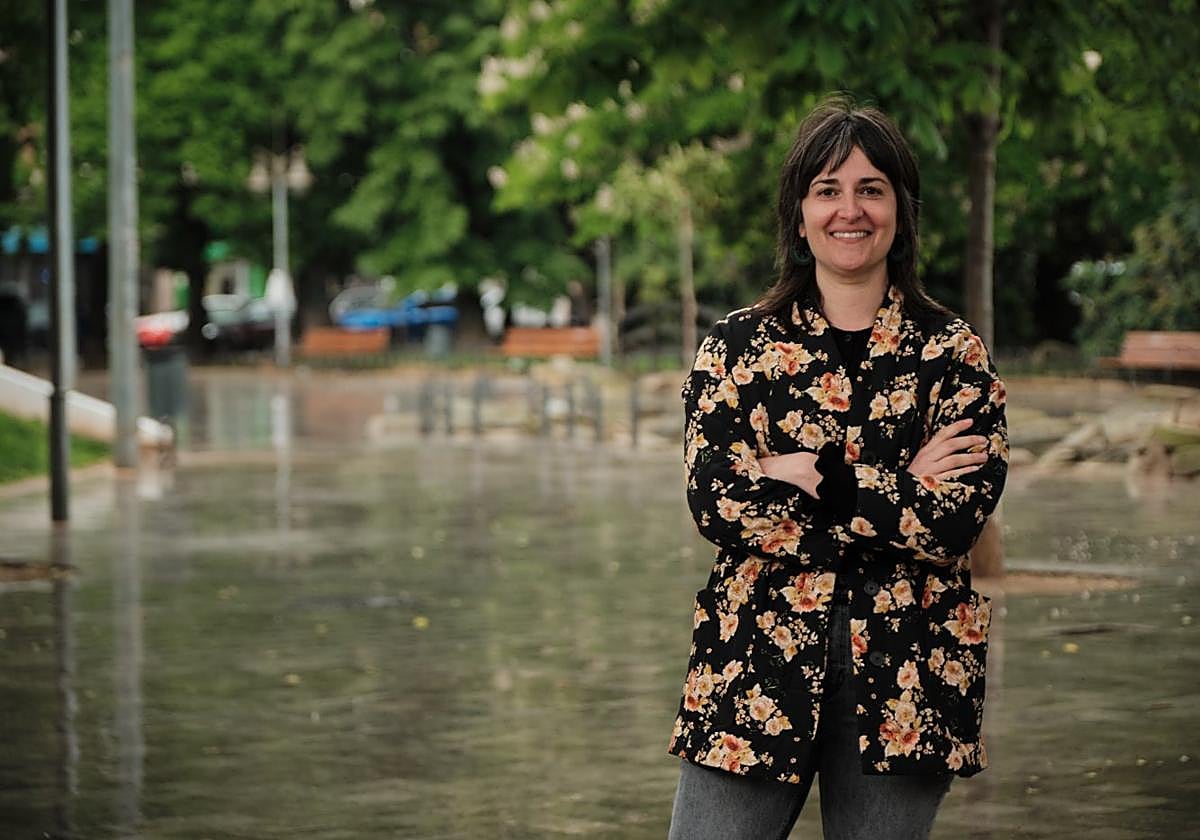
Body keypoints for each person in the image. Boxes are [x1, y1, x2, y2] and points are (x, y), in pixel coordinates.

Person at [666, 96, 1009, 839]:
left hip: (909, 676)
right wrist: (898, 489)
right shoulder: (735, 349)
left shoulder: (953, 354)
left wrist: (809, 475)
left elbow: (951, 524)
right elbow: (718, 506)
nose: (848, 210)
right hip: (751, 663)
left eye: (870, 189)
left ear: (900, 211)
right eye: (827, 189)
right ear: (798, 214)